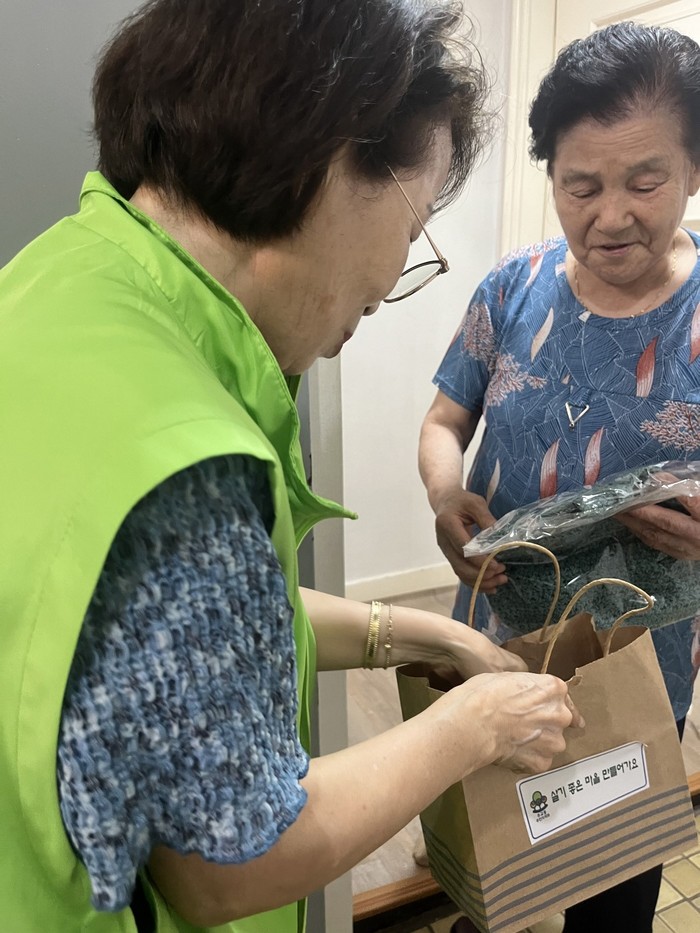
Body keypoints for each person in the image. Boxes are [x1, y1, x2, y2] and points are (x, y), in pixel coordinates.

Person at [0, 2, 583, 932]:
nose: (393, 278)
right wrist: (477, 725)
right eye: (415, 225)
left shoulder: (57, 279)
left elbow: (190, 623)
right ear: (326, 161)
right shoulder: (185, 462)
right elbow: (229, 863)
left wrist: (425, 636)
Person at [420, 20, 700, 933]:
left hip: (640, 664)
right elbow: (443, 420)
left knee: (612, 886)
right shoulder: (513, 287)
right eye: (581, 185)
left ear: (694, 170)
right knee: (494, 861)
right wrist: (443, 494)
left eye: (644, 182)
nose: (609, 215)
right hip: (498, 637)